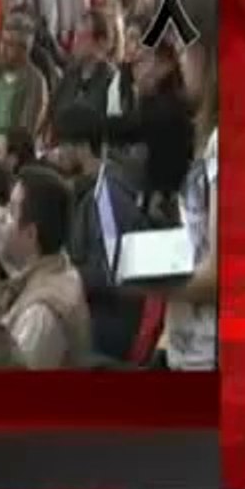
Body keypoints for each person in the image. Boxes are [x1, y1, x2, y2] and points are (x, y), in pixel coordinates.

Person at [0, 164, 91, 368]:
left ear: (31, 234)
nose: (3, 217)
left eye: (11, 212)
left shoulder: (39, 317)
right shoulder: (55, 262)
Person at [150, 0, 219, 370]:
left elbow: (221, 273)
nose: (177, 58)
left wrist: (146, 282)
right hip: (187, 344)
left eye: (183, 46)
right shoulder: (212, 135)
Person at [52, 102, 148, 362]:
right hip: (96, 311)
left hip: (110, 323)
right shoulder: (99, 186)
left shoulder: (108, 196)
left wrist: (64, 277)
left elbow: (113, 271)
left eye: (62, 145)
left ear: (81, 146)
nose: (57, 153)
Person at [105, 31, 194, 225]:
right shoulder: (148, 100)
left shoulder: (168, 107)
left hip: (169, 207)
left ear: (165, 64)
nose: (138, 71)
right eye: (135, 64)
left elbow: (127, 132)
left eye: (143, 61)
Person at [0, 13, 48, 154]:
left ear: (24, 49)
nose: (2, 49)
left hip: (10, 155)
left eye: (9, 45)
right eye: (2, 41)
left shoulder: (36, 81)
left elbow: (25, 133)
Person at [45, 9, 115, 133]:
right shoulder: (69, 76)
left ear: (101, 42)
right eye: (75, 35)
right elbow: (53, 114)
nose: (75, 42)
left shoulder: (111, 81)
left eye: (82, 36)